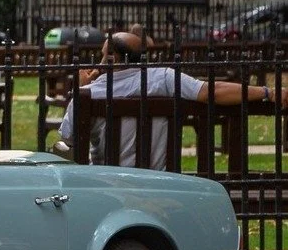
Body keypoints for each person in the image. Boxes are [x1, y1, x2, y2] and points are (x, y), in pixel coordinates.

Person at [59, 31, 288, 168]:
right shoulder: (164, 78)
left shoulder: (90, 92)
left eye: (103, 55)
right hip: (158, 182)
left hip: (105, 186)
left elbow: (68, 141)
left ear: (112, 58)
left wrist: (81, 90)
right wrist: (267, 92)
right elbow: (213, 91)